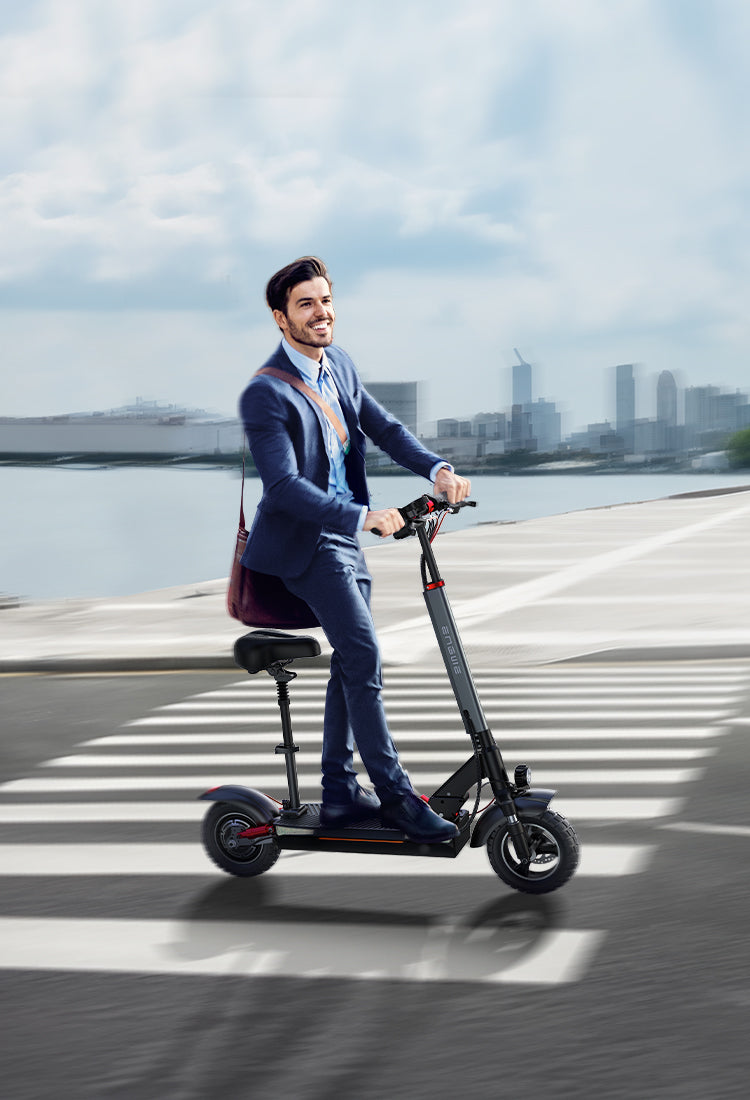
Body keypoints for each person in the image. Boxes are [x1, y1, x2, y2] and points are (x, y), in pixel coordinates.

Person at [239, 256, 471, 843]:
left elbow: (384, 427)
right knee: (364, 655)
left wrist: (437, 467)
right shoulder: (265, 395)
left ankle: (340, 792)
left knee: (350, 658)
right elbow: (286, 489)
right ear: (280, 318)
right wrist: (362, 516)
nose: (322, 313)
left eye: (325, 301)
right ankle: (396, 797)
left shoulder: (338, 364)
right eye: (306, 304)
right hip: (306, 543)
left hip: (345, 540)